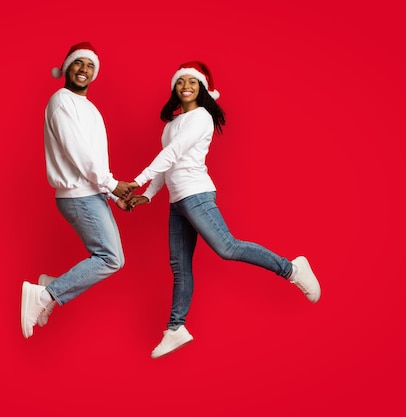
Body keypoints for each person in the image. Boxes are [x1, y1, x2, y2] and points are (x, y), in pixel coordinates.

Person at [127, 61, 321, 358]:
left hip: (197, 194)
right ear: (174, 88)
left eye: (193, 81)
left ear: (202, 87)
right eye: (181, 82)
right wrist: (150, 195)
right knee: (180, 266)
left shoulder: (201, 117)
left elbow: (174, 153)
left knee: (227, 247)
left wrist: (138, 181)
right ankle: (176, 328)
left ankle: (292, 269)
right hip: (177, 200)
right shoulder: (171, 126)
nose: (186, 86)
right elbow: (169, 164)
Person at [20, 42, 134, 339]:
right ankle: (44, 296)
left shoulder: (89, 108)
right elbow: (78, 153)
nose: (84, 69)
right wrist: (111, 185)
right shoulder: (61, 100)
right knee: (111, 258)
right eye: (78, 63)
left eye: (90, 65)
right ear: (67, 67)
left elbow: (94, 156)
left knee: (112, 258)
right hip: (78, 195)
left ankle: (49, 286)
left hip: (91, 193)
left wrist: (111, 195)